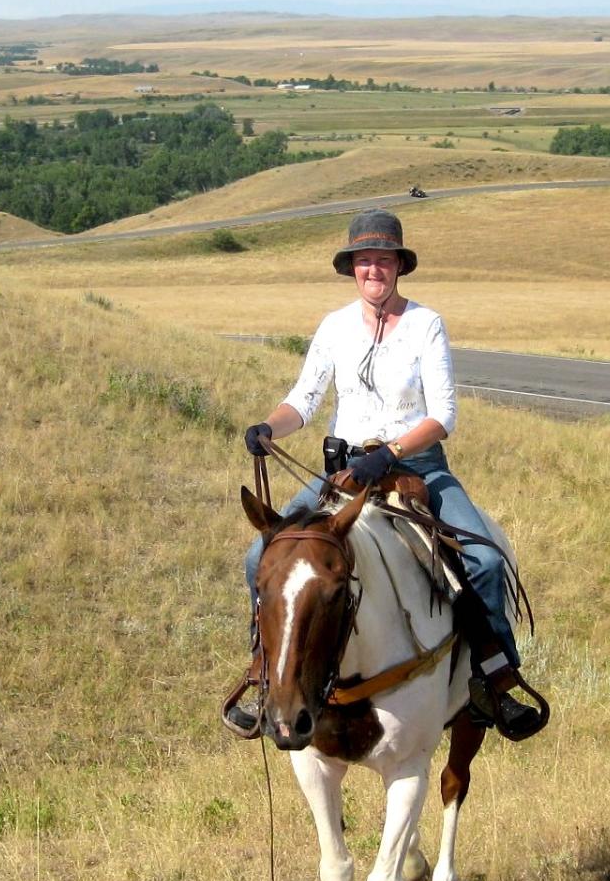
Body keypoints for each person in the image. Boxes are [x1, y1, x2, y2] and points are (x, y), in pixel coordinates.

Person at [225, 208, 548, 742]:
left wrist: (389, 452)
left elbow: (442, 416)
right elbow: (303, 401)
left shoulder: (426, 324)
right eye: (363, 260)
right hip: (344, 472)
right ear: (352, 268)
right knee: (259, 558)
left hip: (415, 468)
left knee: (486, 560)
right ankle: (264, 677)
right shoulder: (334, 326)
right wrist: (269, 427)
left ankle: (497, 678)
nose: (373, 269)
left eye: (383, 259)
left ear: (400, 266)